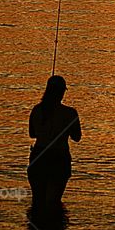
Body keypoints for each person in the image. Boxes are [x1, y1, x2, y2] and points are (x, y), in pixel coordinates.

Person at [27, 75, 81, 216]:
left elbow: (32, 134)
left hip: (38, 157)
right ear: (62, 92)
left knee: (37, 203)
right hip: (58, 159)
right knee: (53, 203)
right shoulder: (70, 113)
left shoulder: (36, 110)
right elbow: (77, 137)